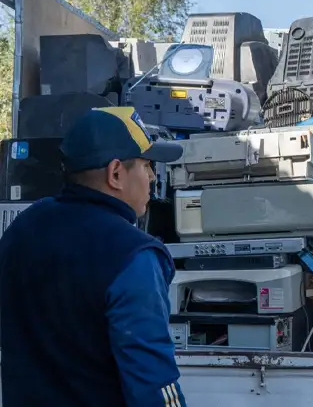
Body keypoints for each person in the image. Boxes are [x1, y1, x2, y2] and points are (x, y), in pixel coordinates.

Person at [0, 107, 187, 407]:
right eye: (146, 165)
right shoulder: (133, 256)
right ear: (116, 173)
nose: (152, 177)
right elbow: (153, 383)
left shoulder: (22, 229)